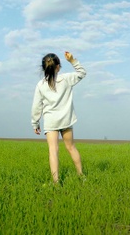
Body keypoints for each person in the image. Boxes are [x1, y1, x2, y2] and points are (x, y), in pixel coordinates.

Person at [31, 51, 86, 184]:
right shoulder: (66, 79)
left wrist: (35, 123)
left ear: (44, 68)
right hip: (66, 120)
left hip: (51, 122)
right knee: (71, 147)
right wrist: (72, 60)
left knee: (53, 151)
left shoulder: (40, 85)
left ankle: (55, 183)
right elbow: (82, 73)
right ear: (58, 66)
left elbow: (36, 106)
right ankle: (81, 177)